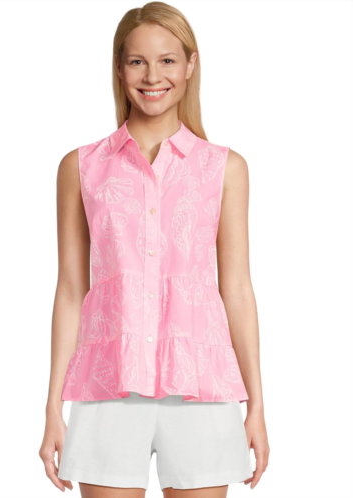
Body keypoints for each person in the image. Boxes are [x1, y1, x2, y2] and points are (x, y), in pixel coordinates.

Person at [39, 2, 270, 496]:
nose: (152, 76)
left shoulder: (224, 168)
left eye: (167, 60)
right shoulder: (80, 167)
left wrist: (257, 405)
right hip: (108, 387)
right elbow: (71, 289)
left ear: (190, 65)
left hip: (202, 388)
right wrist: (53, 405)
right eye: (137, 61)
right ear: (119, 67)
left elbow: (236, 289)